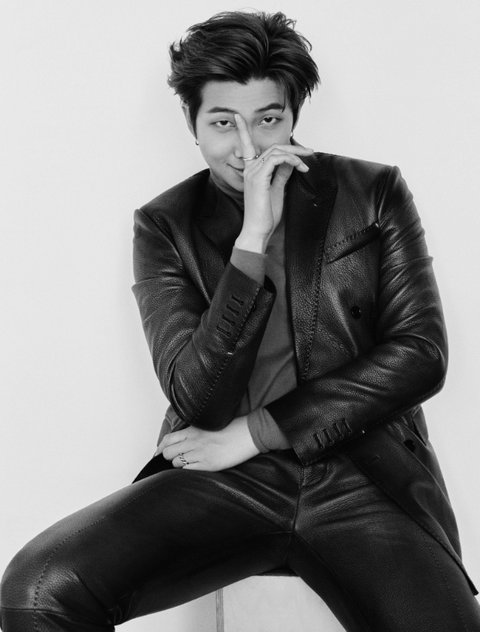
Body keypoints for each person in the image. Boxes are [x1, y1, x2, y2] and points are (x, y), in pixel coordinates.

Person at [1, 10, 479, 632]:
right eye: (223, 122)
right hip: (224, 475)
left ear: (293, 116)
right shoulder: (165, 224)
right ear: (193, 126)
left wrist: (257, 432)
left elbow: (421, 354)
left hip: (361, 469)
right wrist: (252, 238)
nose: (248, 147)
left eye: (267, 119)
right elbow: (196, 395)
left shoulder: (372, 191)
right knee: (37, 591)